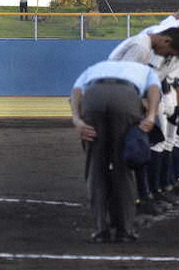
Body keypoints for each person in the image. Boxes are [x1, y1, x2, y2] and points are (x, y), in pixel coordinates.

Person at [69, 59, 161, 243]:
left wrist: (77, 120)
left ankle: (100, 230)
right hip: (125, 98)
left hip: (93, 98)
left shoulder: (95, 67)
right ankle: (124, 230)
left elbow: (76, 92)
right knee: (123, 167)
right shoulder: (146, 70)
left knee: (95, 168)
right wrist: (151, 115)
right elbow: (154, 90)